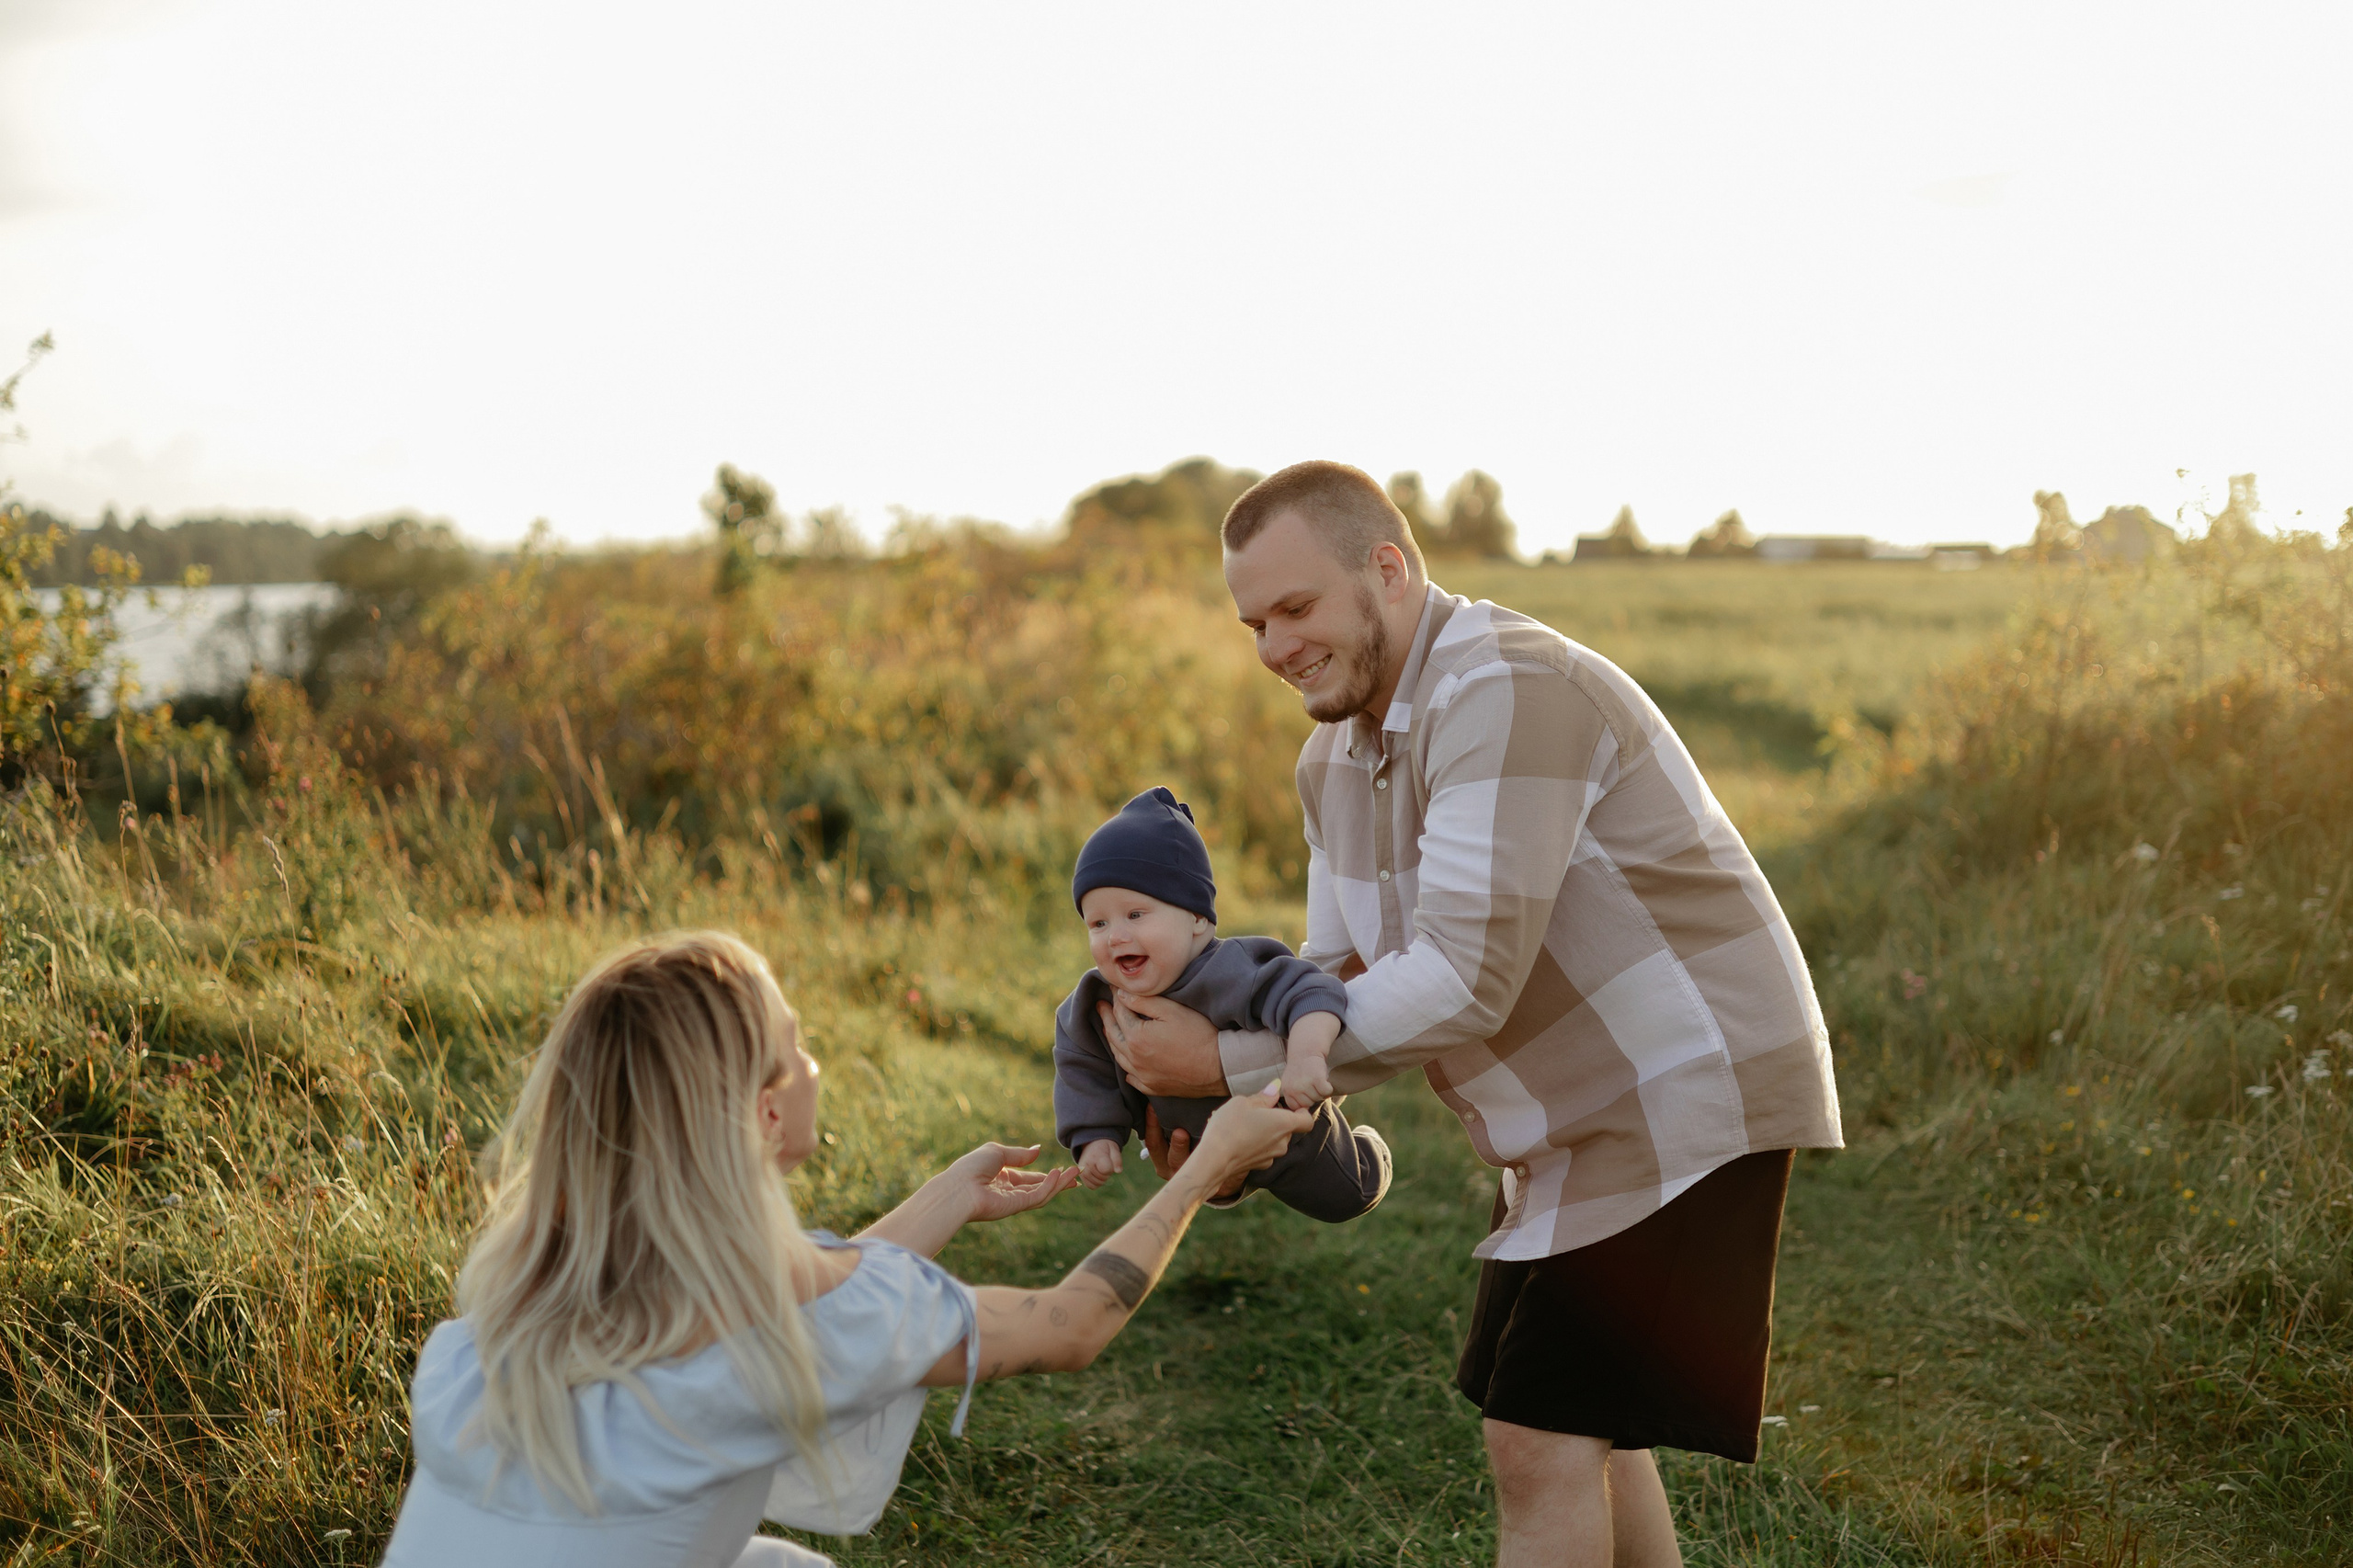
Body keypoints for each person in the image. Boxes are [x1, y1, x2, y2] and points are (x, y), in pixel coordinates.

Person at [1093, 461, 1845, 1568]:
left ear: (1386, 570)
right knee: (1581, 1426)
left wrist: (1230, 1056)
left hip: (1684, 1089)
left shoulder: (1505, 690)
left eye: (1294, 608)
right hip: (1567, 1124)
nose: (1271, 646)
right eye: (1252, 621)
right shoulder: (1331, 759)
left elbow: (1458, 975)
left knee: (1535, 1436)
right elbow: (1330, 968)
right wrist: (1225, 1096)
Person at [378, 929, 1308, 1568]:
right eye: (800, 1045)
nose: (817, 1062)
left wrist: (946, 1196)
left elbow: (801, 1313)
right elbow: (1071, 1323)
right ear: (767, 1110)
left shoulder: (518, 1306)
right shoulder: (799, 1325)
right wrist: (1205, 1165)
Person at [1053, 784, 1392, 1221]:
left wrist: (1307, 1057)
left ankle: (1371, 1150)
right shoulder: (1096, 1000)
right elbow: (1080, 1061)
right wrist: (1094, 1135)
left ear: (1197, 918)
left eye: (1135, 915)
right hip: (1197, 1150)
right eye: (1098, 922)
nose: (1116, 935)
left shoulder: (1231, 969)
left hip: (1286, 1130)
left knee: (1345, 1197)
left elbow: (1313, 991)